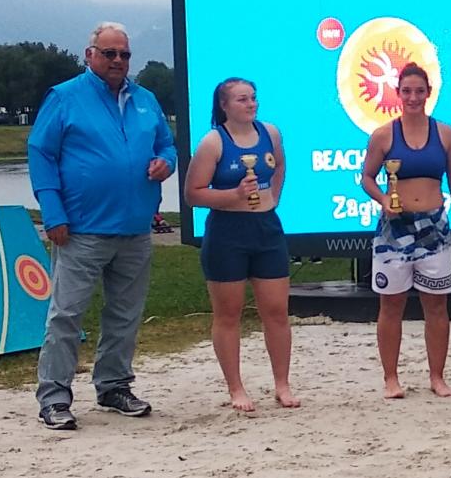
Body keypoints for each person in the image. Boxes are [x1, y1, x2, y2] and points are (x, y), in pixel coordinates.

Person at [28, 22, 177, 430]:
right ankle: (54, 397)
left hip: (135, 228)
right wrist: (53, 213)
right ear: (89, 55)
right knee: (66, 315)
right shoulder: (64, 97)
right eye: (109, 53)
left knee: (125, 315)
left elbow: (166, 144)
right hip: (80, 229)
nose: (117, 61)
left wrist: (166, 162)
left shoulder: (145, 99)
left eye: (124, 54)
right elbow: (41, 154)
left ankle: (113, 386)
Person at [360, 62, 451, 399]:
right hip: (394, 231)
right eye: (407, 91)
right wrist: (384, 198)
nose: (413, 97)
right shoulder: (384, 135)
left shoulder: (446, 134)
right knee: (391, 305)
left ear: (429, 93)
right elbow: (367, 177)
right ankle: (391, 378)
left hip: (434, 228)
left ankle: (437, 377)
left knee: (437, 306)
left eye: (419, 91)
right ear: (398, 93)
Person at [183, 78, 298, 411]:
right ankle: (236, 388)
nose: (251, 104)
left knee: (277, 311)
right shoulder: (213, 142)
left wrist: (273, 197)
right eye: (242, 99)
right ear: (224, 105)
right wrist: (233, 195)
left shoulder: (270, 133)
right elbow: (192, 194)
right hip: (227, 232)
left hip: (266, 229)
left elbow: (280, 165)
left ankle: (282, 384)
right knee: (228, 313)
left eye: (253, 98)